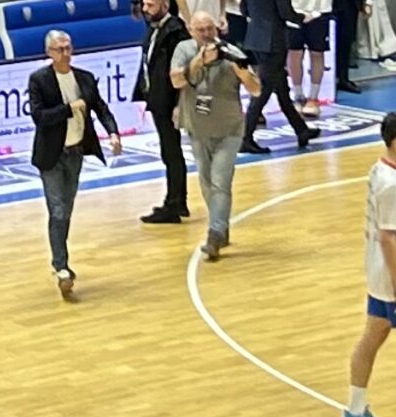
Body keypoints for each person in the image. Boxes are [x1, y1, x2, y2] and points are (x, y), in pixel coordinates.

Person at [28, 31, 122, 302]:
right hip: (51, 156)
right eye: (59, 49)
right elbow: (39, 117)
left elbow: (100, 108)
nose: (66, 53)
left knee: (66, 210)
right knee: (57, 210)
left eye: (68, 48)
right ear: (49, 52)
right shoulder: (40, 80)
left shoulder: (84, 78)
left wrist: (113, 133)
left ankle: (61, 258)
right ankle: (61, 266)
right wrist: (70, 108)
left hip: (76, 152)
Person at [172, 12, 261, 261]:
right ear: (190, 31)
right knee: (206, 181)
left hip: (229, 129)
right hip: (197, 129)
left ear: (218, 29)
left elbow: (256, 90)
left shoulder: (232, 52)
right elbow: (176, 81)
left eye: (209, 29)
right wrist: (199, 62)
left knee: (221, 181)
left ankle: (215, 234)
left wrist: (243, 74)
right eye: (200, 30)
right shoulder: (183, 50)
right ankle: (221, 225)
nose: (206, 35)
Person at [343, 113, 396, 417]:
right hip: (390, 279)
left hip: (379, 275)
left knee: (372, 337)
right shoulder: (392, 184)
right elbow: (389, 239)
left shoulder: (381, 169)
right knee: (372, 337)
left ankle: (355, 412)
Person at [134, 0, 192, 224]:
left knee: (172, 152)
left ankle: (175, 203)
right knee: (169, 152)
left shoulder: (176, 31)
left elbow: (182, 71)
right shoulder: (152, 28)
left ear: (165, 4)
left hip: (170, 101)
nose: (146, 9)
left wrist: (179, 103)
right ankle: (178, 200)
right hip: (157, 99)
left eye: (151, 5)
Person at [240, 0, 320, 154]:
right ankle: (246, 138)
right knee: (262, 91)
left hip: (256, 37)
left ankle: (301, 130)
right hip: (273, 41)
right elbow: (285, 12)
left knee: (281, 87)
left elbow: (244, 9)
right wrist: (304, 17)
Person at [287, 0, 330, 116]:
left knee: (317, 53)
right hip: (293, 11)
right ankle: (298, 95)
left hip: (319, 11)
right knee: (294, 53)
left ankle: (314, 97)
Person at [333, 0, 370, 94]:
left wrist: (368, 2)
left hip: (349, 4)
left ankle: (343, 78)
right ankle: (331, 79)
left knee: (346, 39)